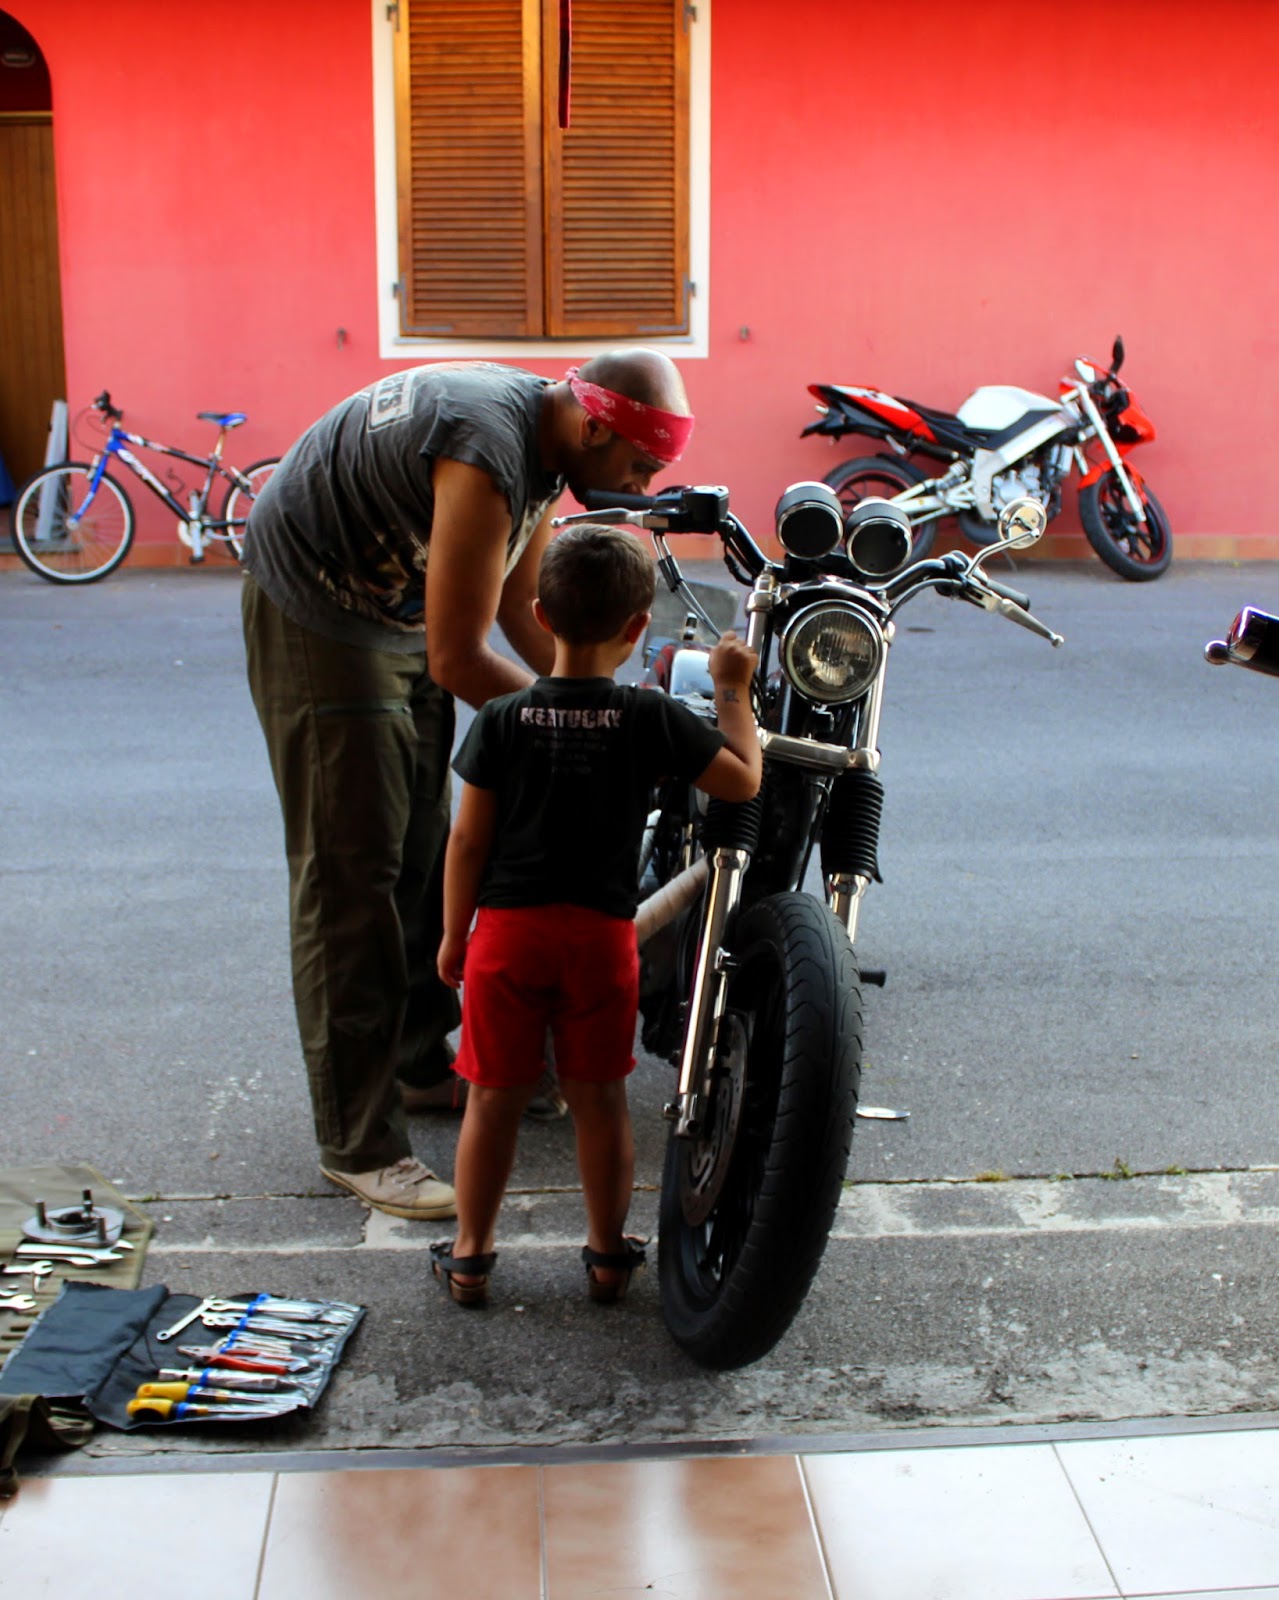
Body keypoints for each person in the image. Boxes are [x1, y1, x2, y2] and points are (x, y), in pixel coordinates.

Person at [241, 352, 695, 1221]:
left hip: (399, 607)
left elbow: (520, 612)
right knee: (352, 879)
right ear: (594, 425)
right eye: (640, 465)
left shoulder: (547, 454)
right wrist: (583, 732)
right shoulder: (486, 449)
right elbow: (459, 659)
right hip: (320, 608)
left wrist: (602, 702)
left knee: (421, 845)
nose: (641, 487)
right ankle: (359, 1146)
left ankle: (415, 1064)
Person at [428, 525, 762, 1306]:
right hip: (600, 940)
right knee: (600, 1100)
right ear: (637, 627)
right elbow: (743, 782)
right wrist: (732, 689)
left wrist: (452, 935)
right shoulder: (649, 717)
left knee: (492, 1100)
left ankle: (471, 1258)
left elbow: (467, 840)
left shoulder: (502, 716)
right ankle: (608, 1256)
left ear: (540, 616)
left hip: (507, 937)